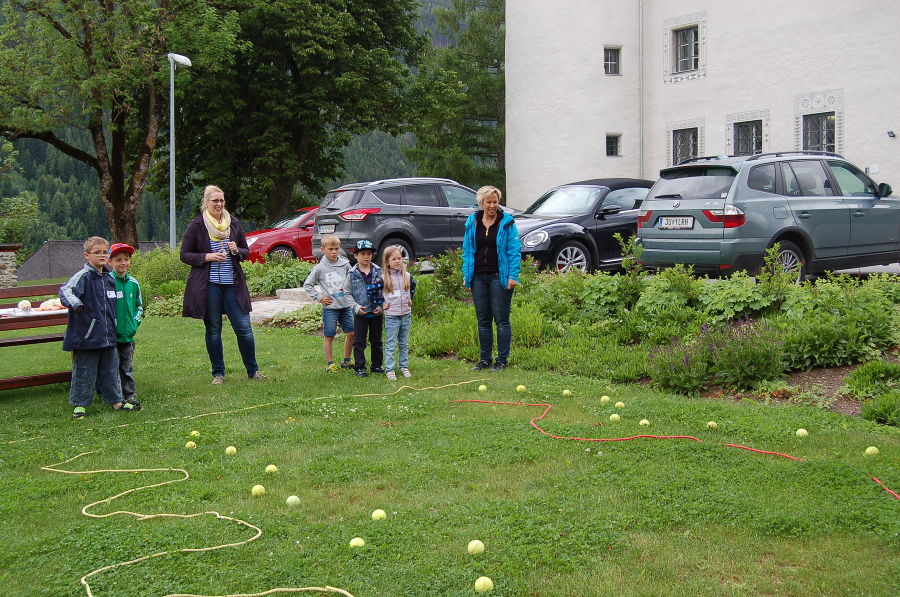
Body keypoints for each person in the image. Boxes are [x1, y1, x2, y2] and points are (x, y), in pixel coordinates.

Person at [180, 185, 265, 384]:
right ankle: (218, 373)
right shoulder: (197, 225)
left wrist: (237, 250)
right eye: (214, 201)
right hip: (209, 287)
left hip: (233, 286)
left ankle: (253, 371)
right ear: (206, 202)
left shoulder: (233, 223)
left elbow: (246, 251)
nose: (219, 204)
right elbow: (184, 255)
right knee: (213, 330)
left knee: (244, 328)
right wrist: (207, 256)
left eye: (221, 200)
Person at [59, 236, 140, 418]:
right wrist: (77, 305)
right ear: (87, 255)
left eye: (105, 252)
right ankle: (80, 405)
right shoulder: (83, 277)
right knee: (85, 371)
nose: (102, 255)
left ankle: (116, 401)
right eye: (98, 252)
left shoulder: (109, 279)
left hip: (108, 336)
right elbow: (65, 291)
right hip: (87, 337)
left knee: (111, 370)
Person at [462, 185, 521, 372]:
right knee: (483, 320)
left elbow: (514, 251)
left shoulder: (507, 223)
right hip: (478, 277)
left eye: (495, 202)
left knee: (502, 320)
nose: (492, 205)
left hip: (500, 277)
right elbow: (467, 251)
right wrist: (467, 275)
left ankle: (501, 360)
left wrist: (513, 275)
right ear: (481, 202)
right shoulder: (473, 221)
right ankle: (484, 359)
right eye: (489, 202)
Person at [303, 235, 355, 372]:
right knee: (329, 335)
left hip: (346, 306)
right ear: (323, 249)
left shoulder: (345, 264)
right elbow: (307, 284)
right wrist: (319, 297)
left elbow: (352, 280)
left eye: (336, 249)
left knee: (351, 333)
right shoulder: (320, 268)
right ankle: (330, 363)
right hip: (330, 308)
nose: (334, 252)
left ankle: (347, 360)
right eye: (330, 249)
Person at [107, 243, 143, 404]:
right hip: (111, 335)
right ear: (110, 262)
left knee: (126, 367)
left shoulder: (133, 283)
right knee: (111, 367)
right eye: (118, 260)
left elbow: (139, 306)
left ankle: (130, 395)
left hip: (128, 335)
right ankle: (114, 397)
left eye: (126, 259)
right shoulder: (106, 282)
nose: (123, 263)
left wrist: (134, 323)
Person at [348, 239, 385, 378]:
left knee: (377, 340)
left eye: (369, 253)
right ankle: (360, 367)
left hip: (376, 312)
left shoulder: (378, 271)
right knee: (359, 341)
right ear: (356, 256)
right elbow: (347, 294)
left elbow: (386, 291)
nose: (366, 256)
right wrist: (356, 308)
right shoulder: (352, 274)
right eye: (362, 253)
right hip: (360, 314)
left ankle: (376, 365)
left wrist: (381, 307)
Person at [381, 245, 416, 381]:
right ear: (387, 262)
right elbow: (373, 292)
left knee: (404, 342)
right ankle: (389, 369)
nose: (397, 261)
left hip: (406, 314)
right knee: (391, 343)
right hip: (391, 316)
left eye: (399, 258)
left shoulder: (407, 276)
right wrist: (381, 303)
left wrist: (410, 299)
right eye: (394, 259)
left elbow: (413, 287)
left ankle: (403, 366)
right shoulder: (383, 278)